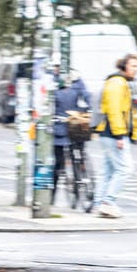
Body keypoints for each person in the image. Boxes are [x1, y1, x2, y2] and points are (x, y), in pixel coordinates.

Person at [93, 52, 137, 219]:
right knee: (125, 169)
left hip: (110, 133)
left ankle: (100, 203)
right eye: (133, 66)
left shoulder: (121, 82)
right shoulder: (117, 83)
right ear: (124, 66)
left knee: (108, 170)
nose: (136, 69)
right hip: (113, 133)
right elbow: (114, 110)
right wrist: (120, 135)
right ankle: (108, 201)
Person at [51, 72, 92, 209]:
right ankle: (82, 174)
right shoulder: (77, 81)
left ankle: (51, 197)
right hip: (76, 125)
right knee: (75, 154)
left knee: (58, 165)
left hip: (64, 128)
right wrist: (86, 111)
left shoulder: (55, 83)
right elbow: (87, 98)